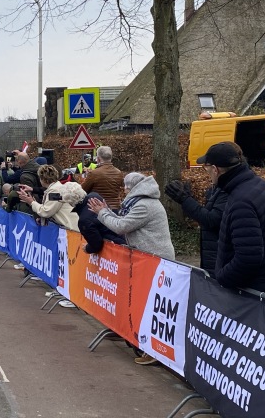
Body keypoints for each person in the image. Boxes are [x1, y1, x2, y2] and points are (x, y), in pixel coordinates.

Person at [88, 172, 174, 367]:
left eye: (125, 187)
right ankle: (139, 340)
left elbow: (121, 226)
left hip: (154, 260)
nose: (123, 190)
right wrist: (106, 211)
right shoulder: (139, 202)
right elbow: (121, 219)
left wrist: (102, 212)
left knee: (150, 305)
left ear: (132, 188)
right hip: (147, 259)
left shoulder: (144, 205)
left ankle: (153, 350)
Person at [198, 142, 265, 299]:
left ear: (216, 170)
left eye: (207, 170)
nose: (208, 175)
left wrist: (222, 278)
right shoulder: (260, 185)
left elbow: (248, 258)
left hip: (259, 292)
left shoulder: (241, 202)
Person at [164, 143, 234, 276]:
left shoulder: (227, 190)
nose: (206, 172)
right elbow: (206, 215)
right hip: (214, 256)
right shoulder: (218, 188)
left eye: (206, 167)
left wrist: (185, 200)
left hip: (220, 260)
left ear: (215, 169)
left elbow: (211, 220)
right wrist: (189, 199)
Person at [17, 165, 79, 231]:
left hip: (70, 230)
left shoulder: (55, 191)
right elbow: (51, 208)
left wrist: (31, 202)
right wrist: (42, 219)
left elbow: (46, 212)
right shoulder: (56, 188)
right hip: (69, 228)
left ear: (43, 179)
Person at [81, 146, 124, 211]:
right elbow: (122, 190)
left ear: (98, 159)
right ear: (111, 158)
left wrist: (87, 177)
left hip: (98, 208)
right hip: (115, 208)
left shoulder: (94, 173)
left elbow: (83, 191)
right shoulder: (119, 173)